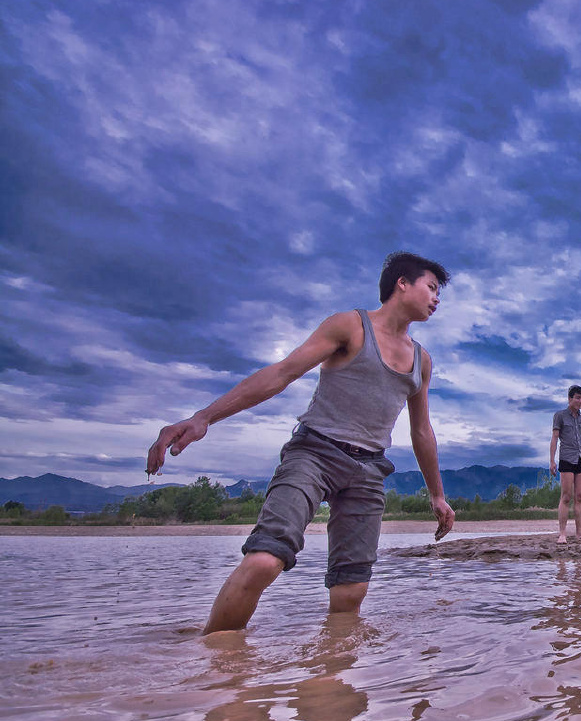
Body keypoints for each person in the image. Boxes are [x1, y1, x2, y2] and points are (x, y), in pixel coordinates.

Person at [146, 252, 455, 634]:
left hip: (369, 471)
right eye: (432, 288)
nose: (436, 299)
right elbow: (282, 373)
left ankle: (330, 666)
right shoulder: (350, 326)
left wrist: (437, 495)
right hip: (314, 454)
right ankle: (213, 659)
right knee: (265, 559)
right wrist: (204, 417)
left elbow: (421, 431)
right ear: (402, 283)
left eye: (439, 293)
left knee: (351, 591)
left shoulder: (421, 360)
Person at [549, 384, 581, 543]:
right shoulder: (560, 416)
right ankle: (562, 533)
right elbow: (555, 438)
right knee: (566, 496)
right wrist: (552, 461)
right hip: (567, 458)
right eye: (578, 398)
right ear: (570, 398)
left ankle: (580, 532)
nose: (580, 401)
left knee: (580, 497)